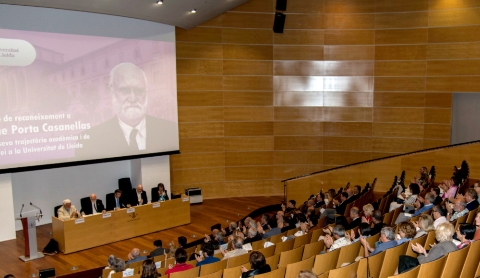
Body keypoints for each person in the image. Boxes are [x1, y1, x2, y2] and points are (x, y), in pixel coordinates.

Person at [76, 62, 177, 158]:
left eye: (139, 90)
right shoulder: (90, 141)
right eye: (125, 90)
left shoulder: (170, 130)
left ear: (146, 92)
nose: (133, 98)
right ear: (112, 92)